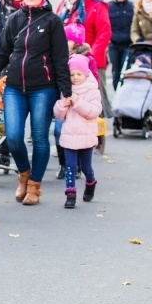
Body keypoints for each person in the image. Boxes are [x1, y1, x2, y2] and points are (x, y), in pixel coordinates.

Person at [0, 0, 71, 205]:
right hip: (14, 87)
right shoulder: (15, 19)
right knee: (12, 137)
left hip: (44, 88)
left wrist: (66, 92)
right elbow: (2, 53)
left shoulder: (53, 21)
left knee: (40, 137)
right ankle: (24, 174)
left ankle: (34, 186)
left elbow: (61, 59)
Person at [55, 0, 111, 154]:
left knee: (94, 99)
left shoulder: (96, 5)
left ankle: (98, 137)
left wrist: (90, 54)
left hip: (90, 59)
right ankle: (71, 140)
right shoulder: (64, 6)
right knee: (70, 101)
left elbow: (104, 32)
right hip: (68, 59)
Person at [52, 54, 101, 209]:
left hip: (86, 136)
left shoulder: (93, 90)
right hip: (69, 136)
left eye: (78, 74)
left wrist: (77, 101)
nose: (75, 78)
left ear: (85, 74)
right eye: (71, 74)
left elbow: (93, 111)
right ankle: (70, 194)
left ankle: (91, 181)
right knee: (70, 166)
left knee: (86, 168)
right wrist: (62, 104)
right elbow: (59, 115)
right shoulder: (67, 90)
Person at [54, 22, 97, 180]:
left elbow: (94, 80)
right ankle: (64, 164)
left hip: (83, 104)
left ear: (76, 41)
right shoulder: (61, 55)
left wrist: (85, 95)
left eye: (67, 39)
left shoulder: (87, 58)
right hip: (66, 103)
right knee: (58, 131)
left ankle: (81, 167)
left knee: (82, 139)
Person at [108, 0, 134, 90]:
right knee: (116, 72)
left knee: (126, 71)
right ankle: (118, 95)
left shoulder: (132, 6)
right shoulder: (108, 7)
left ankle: (124, 95)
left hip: (128, 45)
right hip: (113, 45)